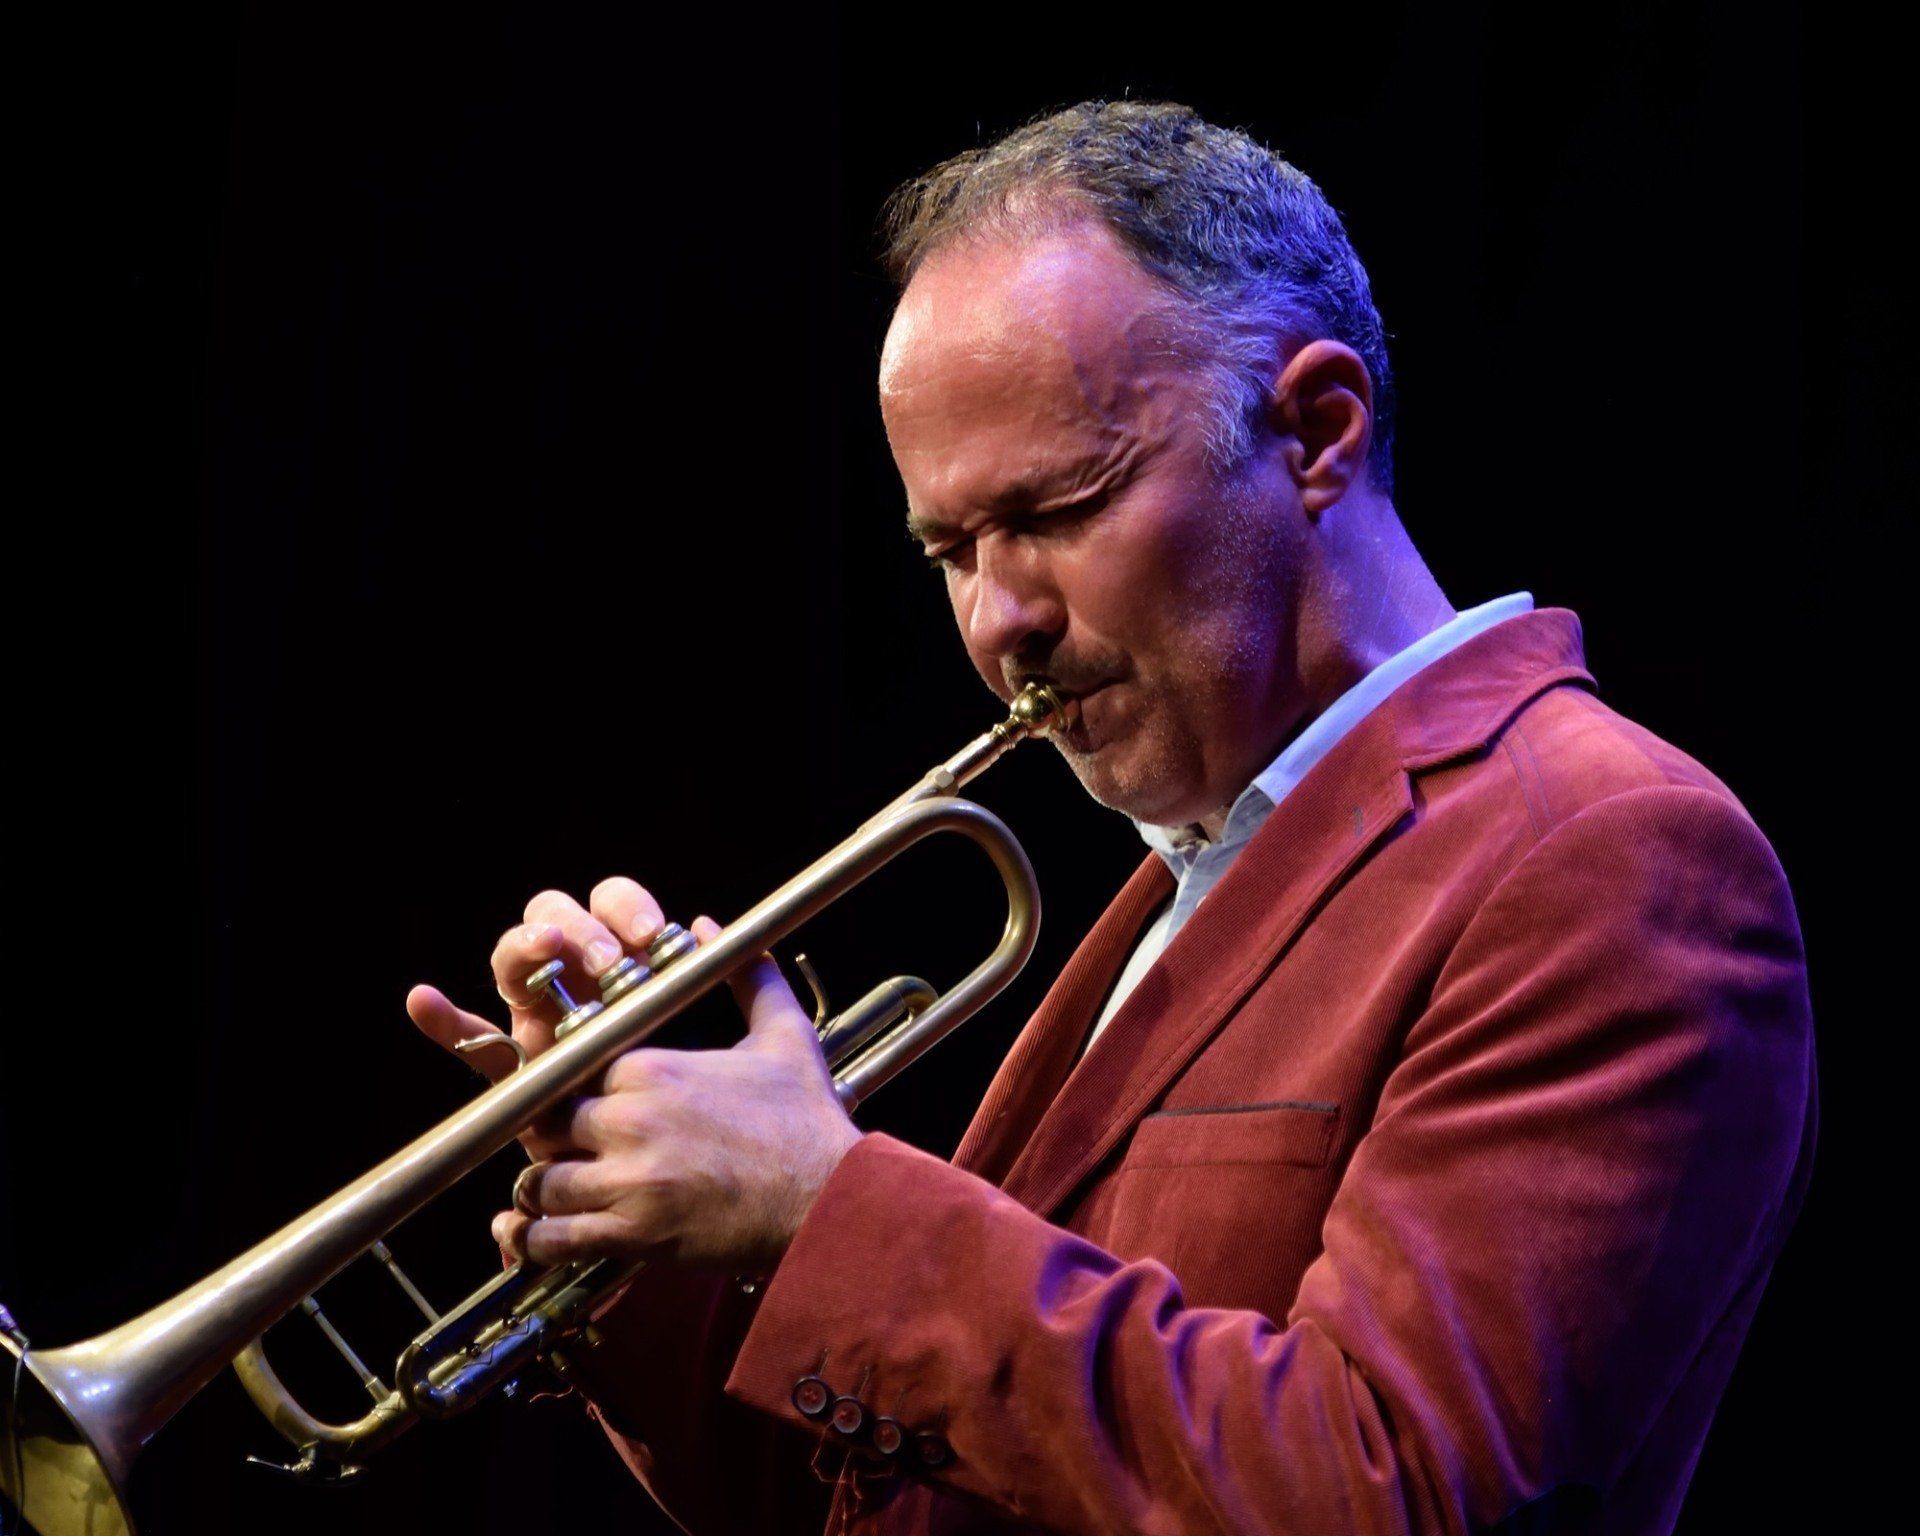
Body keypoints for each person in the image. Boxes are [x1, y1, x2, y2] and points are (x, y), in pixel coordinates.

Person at [405, 102, 1816, 1535]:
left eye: (1058, 511)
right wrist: (645, 1221)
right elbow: (907, 1501)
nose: (996, 620)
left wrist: (831, 1209)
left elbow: (1384, 1489)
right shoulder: (1202, 873)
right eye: (952, 550)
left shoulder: (1606, 858)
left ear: (1316, 431)